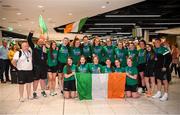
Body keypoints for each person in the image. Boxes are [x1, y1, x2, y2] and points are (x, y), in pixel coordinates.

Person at [27, 31, 48, 98]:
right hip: (36, 67)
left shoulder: (45, 48)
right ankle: (34, 92)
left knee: (43, 80)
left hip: (44, 67)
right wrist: (30, 34)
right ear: (37, 42)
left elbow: (46, 57)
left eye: (42, 41)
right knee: (36, 80)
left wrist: (45, 46)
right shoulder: (34, 47)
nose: (41, 42)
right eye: (40, 41)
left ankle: (43, 91)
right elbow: (29, 40)